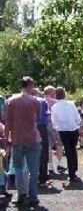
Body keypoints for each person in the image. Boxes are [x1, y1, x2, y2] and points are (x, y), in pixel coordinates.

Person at [5, 76, 42, 207]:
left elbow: (8, 122)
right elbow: (37, 120)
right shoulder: (36, 101)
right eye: (33, 86)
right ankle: (33, 196)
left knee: (18, 167)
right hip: (33, 138)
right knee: (34, 169)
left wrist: (6, 139)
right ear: (29, 85)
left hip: (17, 139)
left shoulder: (10, 101)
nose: (34, 88)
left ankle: (21, 193)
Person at [51, 87, 81, 183]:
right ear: (64, 94)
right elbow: (77, 117)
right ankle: (74, 170)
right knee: (73, 148)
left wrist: (56, 129)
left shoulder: (54, 107)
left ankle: (72, 173)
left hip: (63, 130)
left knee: (68, 150)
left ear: (56, 95)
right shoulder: (71, 104)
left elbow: (54, 121)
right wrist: (77, 125)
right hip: (73, 129)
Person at [44, 85, 65, 174]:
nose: (55, 93)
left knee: (48, 145)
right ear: (50, 93)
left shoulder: (41, 101)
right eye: (54, 91)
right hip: (56, 124)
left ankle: (50, 166)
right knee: (59, 144)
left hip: (45, 124)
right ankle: (59, 164)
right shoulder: (55, 102)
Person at [33, 88, 50, 186]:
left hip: (29, 128)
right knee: (43, 152)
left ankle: (32, 177)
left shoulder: (25, 101)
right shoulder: (42, 101)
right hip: (41, 128)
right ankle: (43, 177)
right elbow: (47, 116)